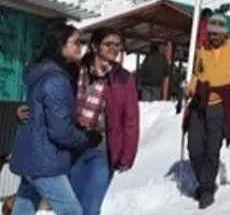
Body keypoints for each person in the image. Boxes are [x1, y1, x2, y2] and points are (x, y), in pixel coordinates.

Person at [9, 22, 98, 215]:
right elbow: (60, 131)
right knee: (72, 211)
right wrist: (85, 138)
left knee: (24, 208)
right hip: (45, 160)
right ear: (60, 45)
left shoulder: (40, 73)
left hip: (30, 155)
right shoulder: (56, 79)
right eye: (75, 42)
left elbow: (37, 113)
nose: (79, 47)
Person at [69, 28, 140, 215]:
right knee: (72, 207)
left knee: (91, 207)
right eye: (108, 44)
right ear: (94, 46)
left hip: (103, 149)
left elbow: (130, 119)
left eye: (117, 45)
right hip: (74, 144)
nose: (114, 48)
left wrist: (127, 156)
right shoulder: (77, 69)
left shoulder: (123, 78)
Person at [185, 14, 230, 209]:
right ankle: (205, 182)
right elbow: (197, 74)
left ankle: (206, 189)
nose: (212, 37)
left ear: (225, 34)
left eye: (216, 34)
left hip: (221, 105)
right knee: (194, 148)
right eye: (210, 33)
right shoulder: (202, 49)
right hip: (199, 103)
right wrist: (190, 88)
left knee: (212, 150)